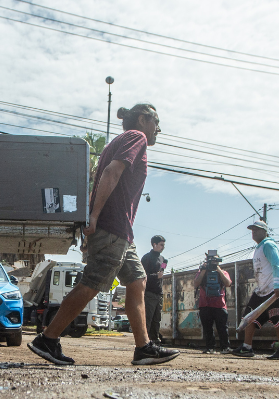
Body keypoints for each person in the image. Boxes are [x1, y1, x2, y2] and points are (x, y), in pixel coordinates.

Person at [28, 104, 179, 366]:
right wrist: (95, 217)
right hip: (113, 226)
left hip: (122, 231)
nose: (158, 130)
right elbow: (111, 173)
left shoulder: (118, 141)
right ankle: (48, 338)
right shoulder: (137, 137)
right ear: (144, 120)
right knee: (93, 283)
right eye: (157, 123)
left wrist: (91, 217)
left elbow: (99, 180)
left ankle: (143, 347)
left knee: (137, 280)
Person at [233, 221, 279, 360]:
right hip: (261, 290)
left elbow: (277, 265)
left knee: (276, 319)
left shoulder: (268, 245)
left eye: (257, 230)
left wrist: (278, 286)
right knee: (250, 316)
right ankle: (247, 347)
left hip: (273, 289)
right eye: (252, 230)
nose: (253, 232)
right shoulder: (259, 248)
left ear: (265, 231)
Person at [195, 254, 232, 353]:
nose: (213, 263)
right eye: (211, 260)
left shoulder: (223, 272)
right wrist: (203, 270)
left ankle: (225, 347)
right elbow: (196, 283)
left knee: (223, 328)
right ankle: (210, 347)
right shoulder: (202, 272)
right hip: (205, 305)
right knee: (207, 329)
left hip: (220, 305)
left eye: (215, 260)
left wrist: (219, 270)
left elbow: (228, 283)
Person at [140, 235, 167, 344]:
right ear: (154, 244)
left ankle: (155, 341)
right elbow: (143, 276)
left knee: (157, 319)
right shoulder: (146, 258)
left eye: (164, 245)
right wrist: (156, 276)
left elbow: (163, 270)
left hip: (159, 293)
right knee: (148, 319)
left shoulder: (163, 259)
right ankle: (144, 342)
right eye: (161, 245)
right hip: (149, 293)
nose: (163, 247)